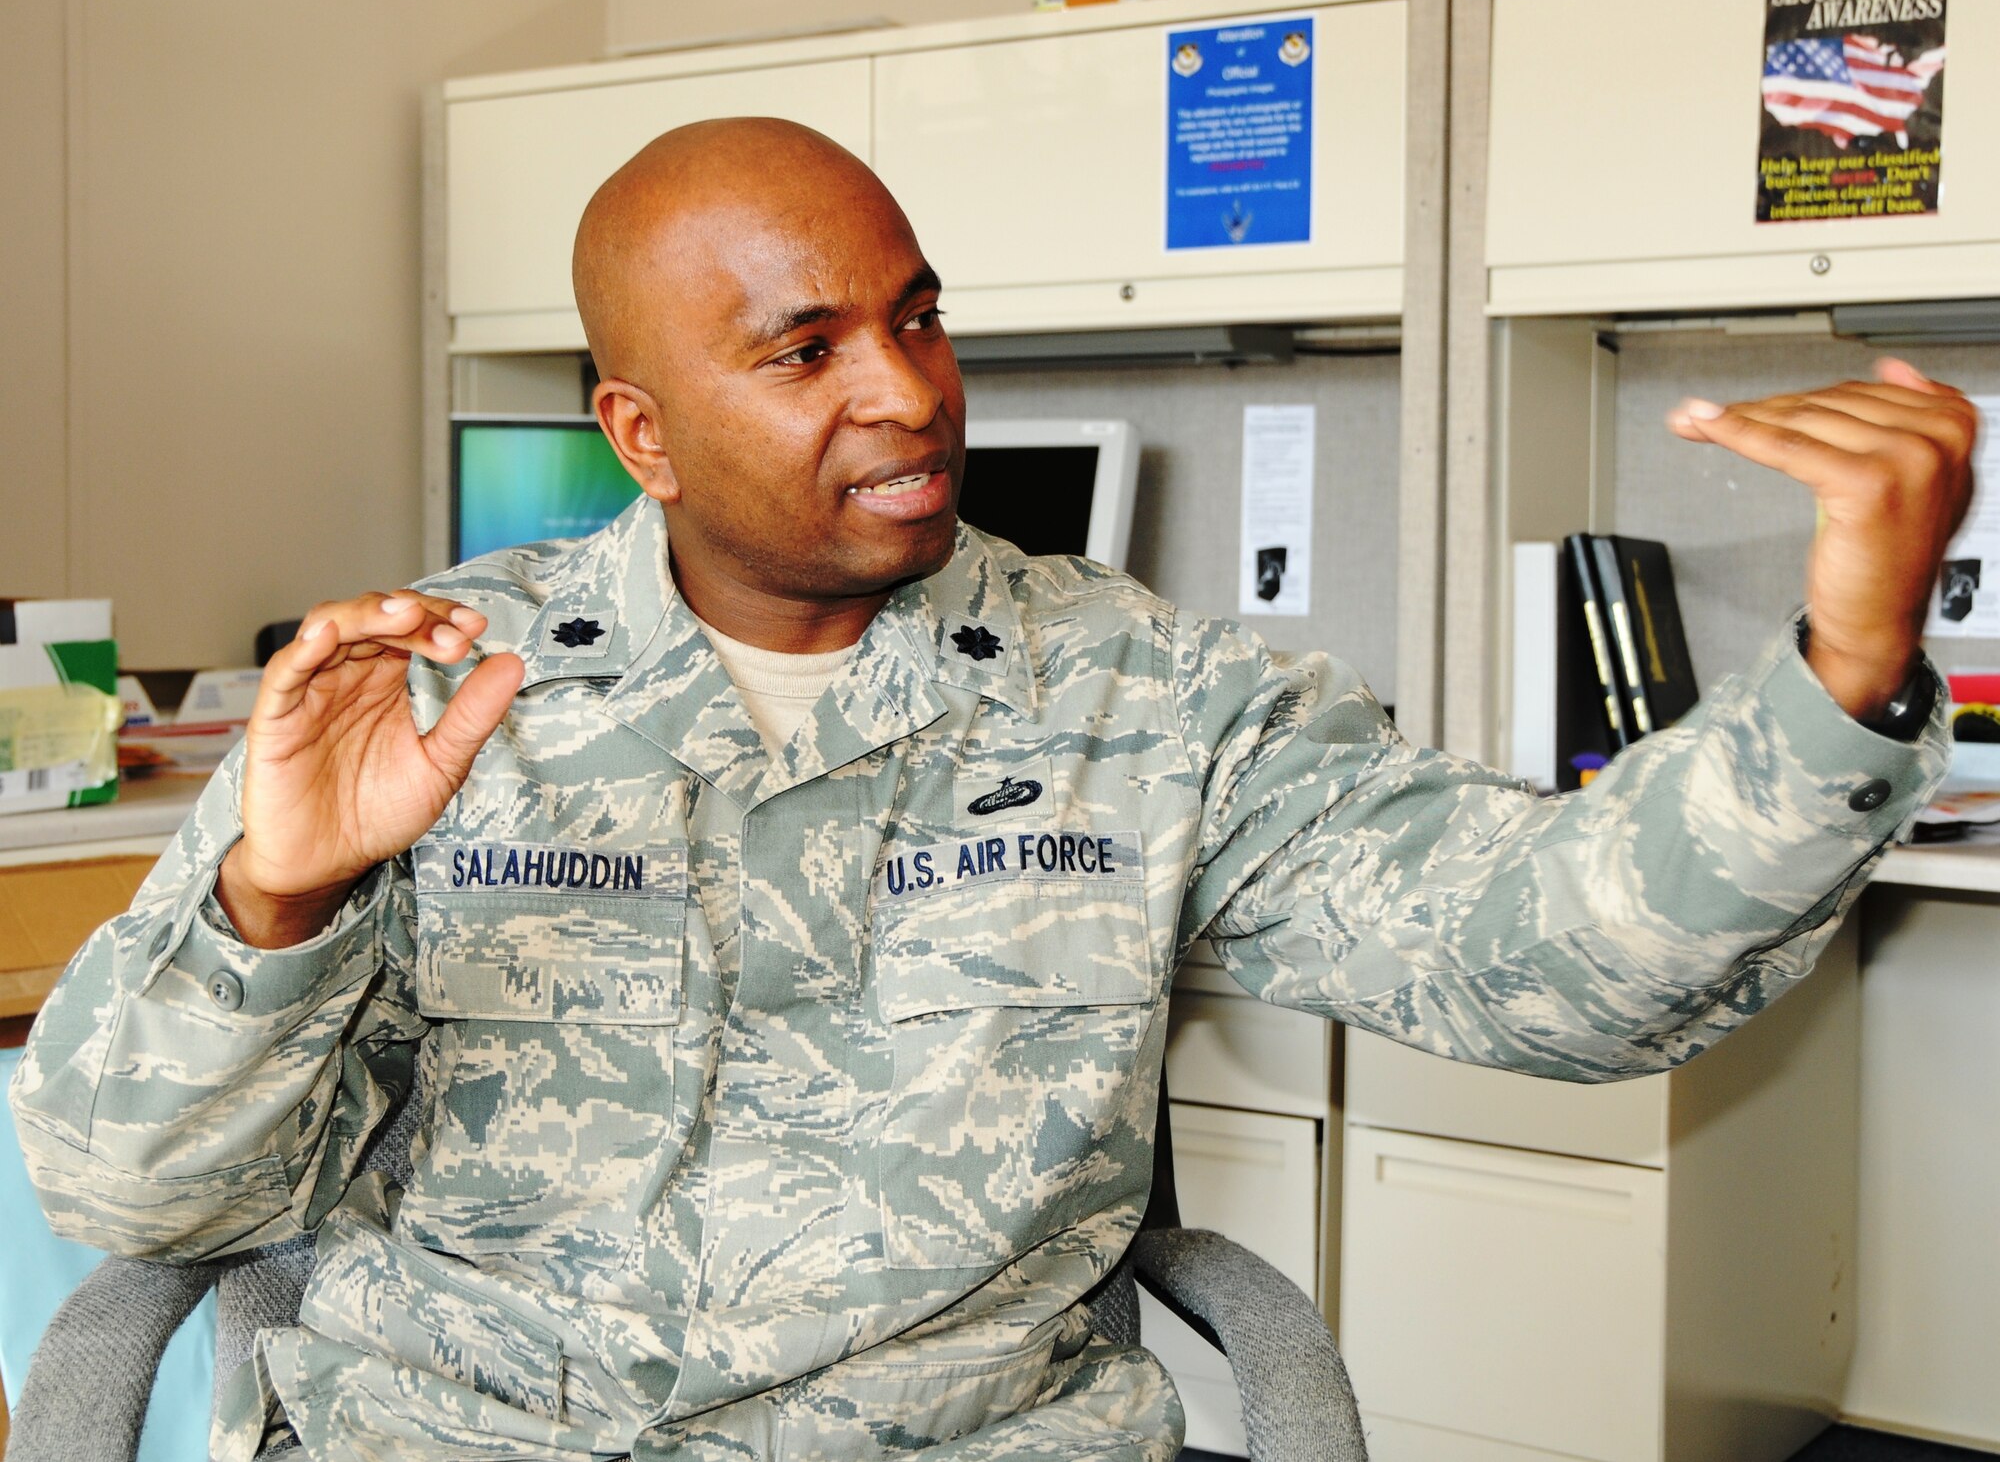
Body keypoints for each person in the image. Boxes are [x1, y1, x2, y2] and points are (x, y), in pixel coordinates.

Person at [11, 118, 1969, 1462]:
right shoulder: (423, 687)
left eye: (917, 314)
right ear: (642, 430)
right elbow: (127, 1194)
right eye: (806, 349)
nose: (910, 390)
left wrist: (1842, 668)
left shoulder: (1136, 688)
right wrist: (273, 902)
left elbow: (1546, 962)